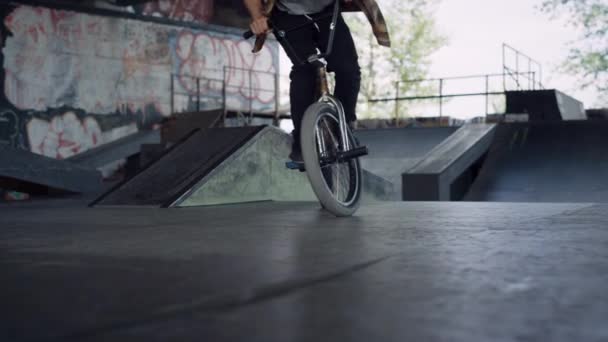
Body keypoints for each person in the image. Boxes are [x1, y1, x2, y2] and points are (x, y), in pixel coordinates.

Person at [244, 0, 390, 161]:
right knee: (306, 69)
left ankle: (343, 128)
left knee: (348, 69)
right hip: (286, 14)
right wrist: (258, 17)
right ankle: (302, 141)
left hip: (327, 9)